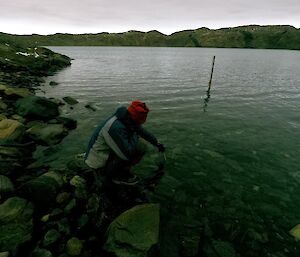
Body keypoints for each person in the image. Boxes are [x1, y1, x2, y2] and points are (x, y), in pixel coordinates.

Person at [84, 100, 165, 185]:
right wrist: (135, 135)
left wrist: (156, 143)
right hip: (97, 161)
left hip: (106, 152)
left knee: (138, 144)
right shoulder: (115, 127)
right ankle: (116, 176)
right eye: (139, 122)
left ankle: (121, 169)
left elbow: (141, 131)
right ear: (134, 118)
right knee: (139, 148)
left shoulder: (126, 119)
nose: (140, 124)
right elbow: (126, 154)